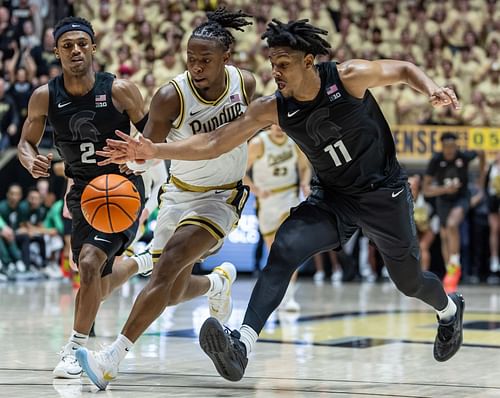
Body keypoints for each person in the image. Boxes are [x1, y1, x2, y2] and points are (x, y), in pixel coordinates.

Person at [97, 19, 465, 381]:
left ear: (309, 62)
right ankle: (241, 344)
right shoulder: (272, 107)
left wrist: (431, 86)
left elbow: (401, 68)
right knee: (284, 249)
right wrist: (154, 149)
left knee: (409, 281)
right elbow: (213, 142)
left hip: (383, 193)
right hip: (333, 197)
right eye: (273, 65)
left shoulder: (347, 77)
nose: (276, 72)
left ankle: (448, 310)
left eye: (284, 64)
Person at [75, 9, 255, 390]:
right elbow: (147, 152)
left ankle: (112, 358)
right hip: (178, 196)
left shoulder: (246, 83)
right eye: (191, 58)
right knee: (170, 290)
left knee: (169, 263)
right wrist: (135, 158)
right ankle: (217, 284)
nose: (196, 65)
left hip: (222, 197)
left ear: (227, 57)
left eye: (205, 59)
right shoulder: (171, 96)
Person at [17, 17, 154, 379]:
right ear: (56, 52)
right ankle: (141, 263)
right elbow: (25, 142)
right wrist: (31, 161)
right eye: (67, 45)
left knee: (90, 263)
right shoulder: (45, 96)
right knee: (97, 283)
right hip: (81, 193)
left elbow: (155, 135)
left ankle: (75, 348)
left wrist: (138, 155)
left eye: (82, 43)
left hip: (121, 189)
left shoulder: (120, 90)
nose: (75, 50)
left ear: (93, 47)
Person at [244, 123, 311, 311]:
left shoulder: (294, 141)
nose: (279, 127)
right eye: (275, 124)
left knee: (290, 247)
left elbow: (305, 167)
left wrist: (305, 184)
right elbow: (241, 172)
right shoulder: (258, 143)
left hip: (289, 196)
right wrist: (255, 189)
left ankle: (289, 296)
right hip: (267, 201)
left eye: (282, 123)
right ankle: (277, 295)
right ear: (268, 125)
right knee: (274, 253)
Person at [423, 133, 485, 292]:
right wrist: (445, 189)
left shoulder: (463, 156)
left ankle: (455, 262)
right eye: (447, 147)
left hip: (461, 197)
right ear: (442, 147)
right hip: (443, 199)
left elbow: (481, 152)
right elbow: (427, 190)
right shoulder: (436, 160)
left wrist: (481, 181)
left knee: (452, 224)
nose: (450, 150)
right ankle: (449, 270)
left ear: (456, 146)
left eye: (453, 146)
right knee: (444, 234)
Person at [486, 152, 500, 273]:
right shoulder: (491, 167)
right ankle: (494, 258)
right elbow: (486, 185)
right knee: (494, 229)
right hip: (493, 201)